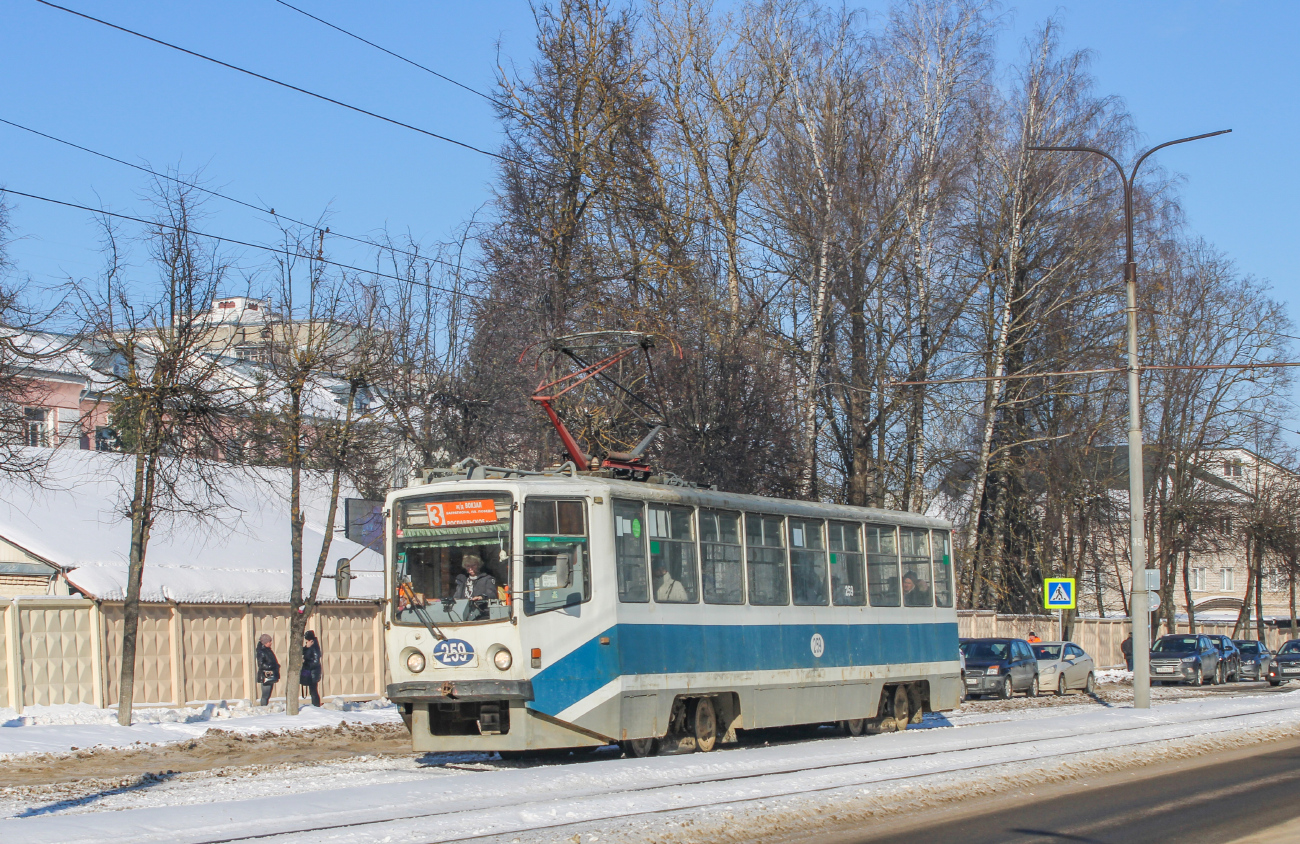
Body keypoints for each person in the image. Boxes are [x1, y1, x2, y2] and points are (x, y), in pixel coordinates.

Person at [455, 554, 497, 620]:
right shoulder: (463, 580)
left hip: (481, 614)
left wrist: (481, 597)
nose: (471, 568)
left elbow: (492, 595)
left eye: (473, 565)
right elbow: (456, 597)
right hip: (462, 614)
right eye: (468, 566)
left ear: (478, 565)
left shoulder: (487, 579)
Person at [255, 633, 280, 707]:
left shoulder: (268, 650)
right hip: (266, 675)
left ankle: (265, 706)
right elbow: (261, 664)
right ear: (265, 642)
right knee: (265, 695)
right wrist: (272, 665)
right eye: (269, 641)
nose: (271, 643)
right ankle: (263, 708)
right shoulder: (261, 651)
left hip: (271, 675)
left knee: (268, 695)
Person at [300, 630, 322, 707]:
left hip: (312, 672)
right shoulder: (310, 646)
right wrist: (307, 647)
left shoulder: (315, 646)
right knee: (312, 690)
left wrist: (307, 665)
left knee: (313, 690)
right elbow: (302, 652)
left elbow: (316, 661)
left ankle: (316, 705)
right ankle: (315, 705)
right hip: (310, 671)